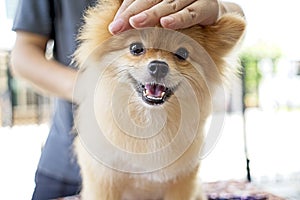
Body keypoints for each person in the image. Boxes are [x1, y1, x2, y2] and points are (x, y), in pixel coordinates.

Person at [11, 0, 244, 199]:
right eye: (136, 49)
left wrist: (219, 8)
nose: (157, 65)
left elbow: (234, 19)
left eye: (180, 54)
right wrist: (89, 87)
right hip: (65, 170)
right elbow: (23, 54)